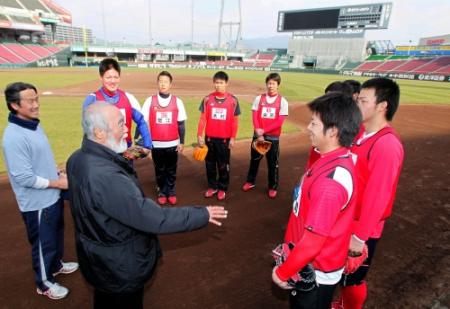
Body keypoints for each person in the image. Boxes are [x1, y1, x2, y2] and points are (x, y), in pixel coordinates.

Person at [66, 102, 228, 309]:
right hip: (120, 266)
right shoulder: (107, 176)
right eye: (121, 124)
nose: (127, 129)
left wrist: (124, 157)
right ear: (99, 132)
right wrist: (200, 215)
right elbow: (153, 218)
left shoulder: (76, 159)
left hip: (99, 260)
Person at [272, 92, 362, 309]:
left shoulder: (330, 183)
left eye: (314, 123)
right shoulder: (330, 159)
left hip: (315, 273)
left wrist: (283, 272)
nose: (309, 128)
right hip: (309, 264)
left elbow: (313, 242)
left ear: (332, 131)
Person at [2, 82, 78, 300]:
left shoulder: (34, 125)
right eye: (30, 100)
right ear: (15, 105)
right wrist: (58, 184)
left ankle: (55, 265)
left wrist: (56, 171)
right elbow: (24, 177)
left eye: (37, 99)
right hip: (37, 203)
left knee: (55, 235)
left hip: (51, 195)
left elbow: (40, 159)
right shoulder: (14, 137)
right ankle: (44, 283)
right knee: (43, 244)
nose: (36, 104)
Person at [337, 78, 404, 308]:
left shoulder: (387, 145)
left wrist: (359, 238)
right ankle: (343, 303)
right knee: (340, 274)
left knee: (353, 279)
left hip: (360, 229)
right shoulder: (359, 133)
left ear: (382, 106)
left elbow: (378, 197)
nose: (358, 105)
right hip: (344, 220)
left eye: (364, 101)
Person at [83, 57, 152, 150]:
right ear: (101, 77)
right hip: (103, 154)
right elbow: (88, 130)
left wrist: (147, 145)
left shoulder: (129, 98)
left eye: (116, 77)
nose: (112, 81)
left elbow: (141, 121)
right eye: (109, 77)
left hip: (125, 153)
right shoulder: (92, 100)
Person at [141, 71, 187, 205]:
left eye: (165, 81)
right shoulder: (150, 100)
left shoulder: (177, 101)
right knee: (159, 169)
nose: (163, 84)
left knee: (171, 169)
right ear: (157, 83)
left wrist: (182, 142)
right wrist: (144, 141)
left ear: (170, 84)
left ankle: (171, 192)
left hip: (173, 143)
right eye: (160, 81)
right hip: (156, 144)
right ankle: (162, 191)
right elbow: (143, 122)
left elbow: (181, 124)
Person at [241, 72, 289, 198]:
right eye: (269, 83)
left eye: (273, 83)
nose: (270, 86)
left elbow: (279, 121)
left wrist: (264, 130)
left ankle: (272, 187)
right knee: (255, 160)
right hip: (258, 136)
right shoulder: (259, 98)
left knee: (273, 163)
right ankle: (250, 182)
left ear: (278, 85)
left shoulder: (282, 101)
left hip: (273, 137)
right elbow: (255, 115)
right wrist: (258, 131)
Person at [197, 71, 240, 201]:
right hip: (209, 139)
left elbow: (235, 121)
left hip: (224, 140)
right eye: (216, 82)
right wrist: (199, 135)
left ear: (226, 83)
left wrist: (233, 137)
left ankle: (222, 188)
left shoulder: (233, 100)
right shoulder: (207, 99)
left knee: (223, 165)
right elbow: (203, 119)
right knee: (210, 165)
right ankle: (212, 186)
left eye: (221, 83)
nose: (218, 85)